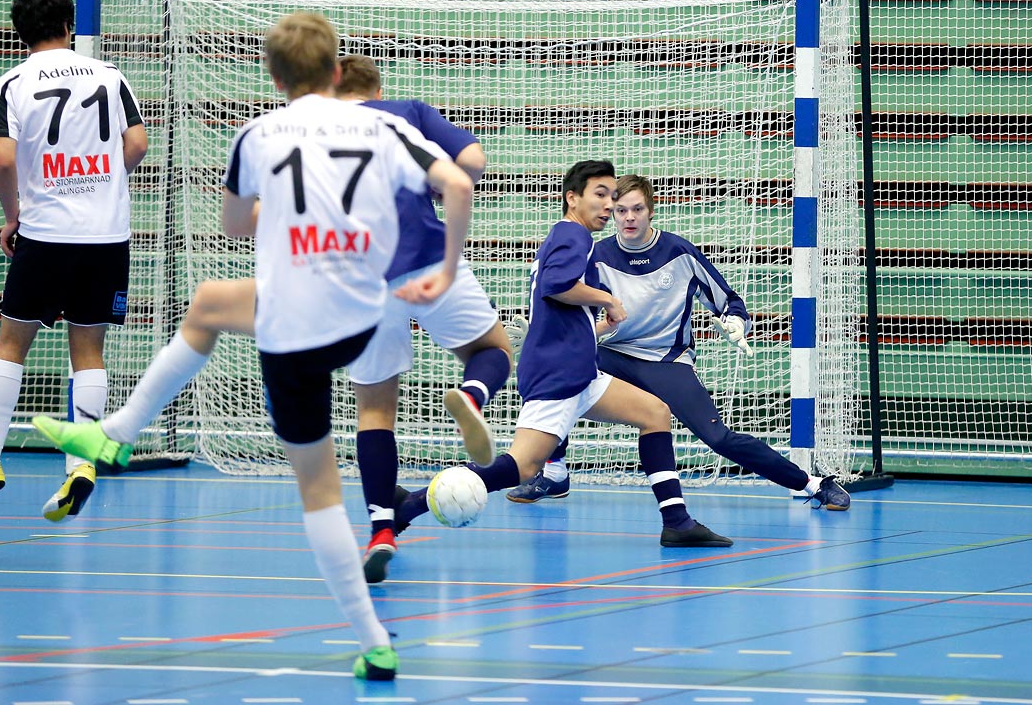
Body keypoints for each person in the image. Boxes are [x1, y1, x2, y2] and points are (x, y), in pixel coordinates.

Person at [39, 11, 475, 680]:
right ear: (336, 72)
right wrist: (445, 269)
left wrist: (291, 212)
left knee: (315, 483)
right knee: (214, 301)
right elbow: (461, 181)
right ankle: (119, 432)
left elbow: (238, 225)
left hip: (296, 326)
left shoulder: (257, 135)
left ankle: (373, 639)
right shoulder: (386, 125)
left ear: (272, 77)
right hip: (368, 310)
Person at [390, 160, 732, 548]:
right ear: (573, 198)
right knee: (523, 466)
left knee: (654, 413)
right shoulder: (574, 235)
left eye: (612, 197)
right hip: (559, 372)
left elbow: (561, 300)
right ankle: (410, 505)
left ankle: (678, 522)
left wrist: (599, 325)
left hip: (578, 368)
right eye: (600, 195)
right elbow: (556, 284)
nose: (608, 206)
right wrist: (608, 299)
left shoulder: (568, 236)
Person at [507, 174, 850, 511]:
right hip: (612, 355)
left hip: (667, 361)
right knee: (556, 371)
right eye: (621, 210)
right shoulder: (594, 256)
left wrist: (735, 323)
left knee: (718, 438)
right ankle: (554, 473)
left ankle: (813, 484)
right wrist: (545, 335)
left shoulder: (680, 252)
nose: (629, 218)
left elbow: (730, 302)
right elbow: (568, 305)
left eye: (637, 209)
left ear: (651, 210)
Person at [0, 0, 148, 522]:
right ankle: (81, 465)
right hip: (107, 236)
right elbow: (136, 144)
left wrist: (13, 215)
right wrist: (106, 183)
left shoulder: (12, 83)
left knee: (11, 344)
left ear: (20, 34)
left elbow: (2, 163)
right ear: (69, 26)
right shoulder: (109, 76)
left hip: (45, 235)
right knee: (88, 351)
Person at [334, 54, 515, 582]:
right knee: (494, 351)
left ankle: (381, 530)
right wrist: (435, 184)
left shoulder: (316, 127)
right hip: (427, 256)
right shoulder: (406, 111)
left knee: (374, 410)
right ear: (377, 87)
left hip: (356, 275)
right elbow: (473, 161)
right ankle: (474, 396)